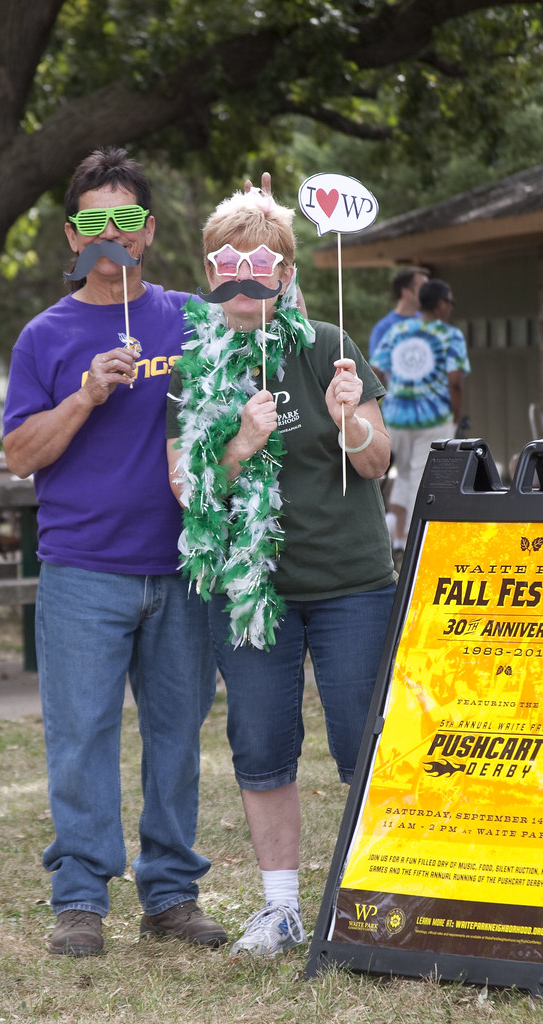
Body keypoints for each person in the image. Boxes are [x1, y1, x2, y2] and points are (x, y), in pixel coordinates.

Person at [2, 147, 226, 957]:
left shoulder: (194, 320)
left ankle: (169, 894)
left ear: (148, 232)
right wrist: (86, 395)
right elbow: (21, 453)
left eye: (123, 222)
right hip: (82, 571)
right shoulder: (45, 335)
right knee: (82, 736)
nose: (109, 237)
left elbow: (261, 350)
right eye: (92, 223)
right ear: (71, 236)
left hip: (180, 566)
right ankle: (79, 901)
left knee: (175, 735)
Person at [166, 187, 396, 957]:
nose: (241, 286)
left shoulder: (326, 340)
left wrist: (348, 417)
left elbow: (376, 462)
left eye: (258, 268)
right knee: (260, 743)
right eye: (226, 267)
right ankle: (280, 908)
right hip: (248, 589)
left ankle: (383, 895)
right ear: (208, 270)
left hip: (349, 583)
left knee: (364, 740)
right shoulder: (197, 364)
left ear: (287, 272)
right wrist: (236, 445)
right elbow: (183, 486)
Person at [370, 278, 471, 555]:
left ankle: (400, 537)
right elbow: (455, 382)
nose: (451, 307)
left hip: (396, 416)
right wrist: (455, 414)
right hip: (433, 417)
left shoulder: (398, 331)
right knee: (423, 478)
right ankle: (421, 542)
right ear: (440, 305)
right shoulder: (450, 336)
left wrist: (390, 397)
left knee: (403, 475)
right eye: (450, 302)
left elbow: (374, 370)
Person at [368, 266, 429, 360]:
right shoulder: (383, 328)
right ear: (406, 292)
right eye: (423, 287)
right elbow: (376, 369)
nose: (428, 292)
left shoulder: (429, 324)